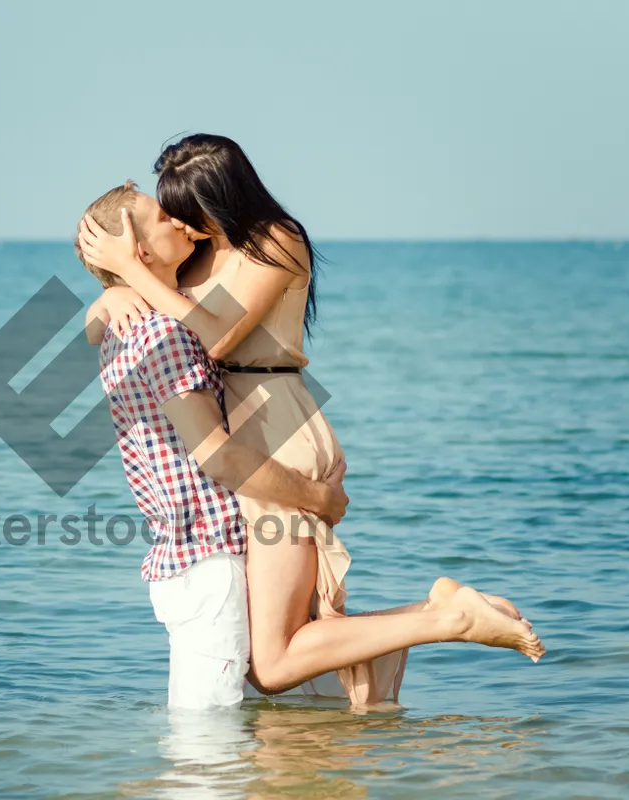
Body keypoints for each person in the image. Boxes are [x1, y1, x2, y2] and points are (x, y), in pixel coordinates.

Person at [78, 136, 544, 705]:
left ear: (219, 196)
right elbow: (138, 320)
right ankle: (436, 611)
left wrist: (130, 271)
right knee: (284, 643)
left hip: (278, 426)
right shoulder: (201, 250)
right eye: (169, 212)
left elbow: (215, 332)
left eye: (186, 209)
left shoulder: (275, 239)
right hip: (243, 424)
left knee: (272, 663)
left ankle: (448, 620)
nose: (180, 222)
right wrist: (103, 302)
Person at [77, 181, 350, 709]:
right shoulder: (165, 334)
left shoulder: (125, 325)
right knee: (210, 738)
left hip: (189, 556)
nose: (180, 222)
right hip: (208, 563)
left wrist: (115, 288)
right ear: (139, 250)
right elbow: (218, 456)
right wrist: (317, 498)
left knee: (246, 718)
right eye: (163, 218)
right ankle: (443, 619)